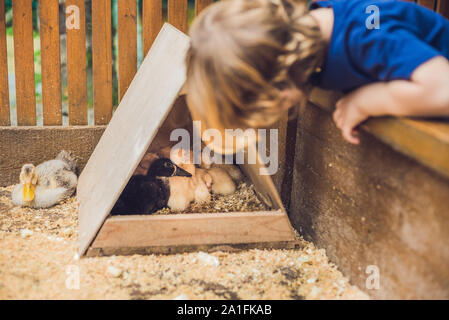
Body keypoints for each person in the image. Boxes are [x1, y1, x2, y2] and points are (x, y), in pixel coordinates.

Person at [185, 0, 449, 145]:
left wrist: (366, 102)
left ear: (281, 91)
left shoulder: (368, 34)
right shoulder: (324, 23)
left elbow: (443, 91)